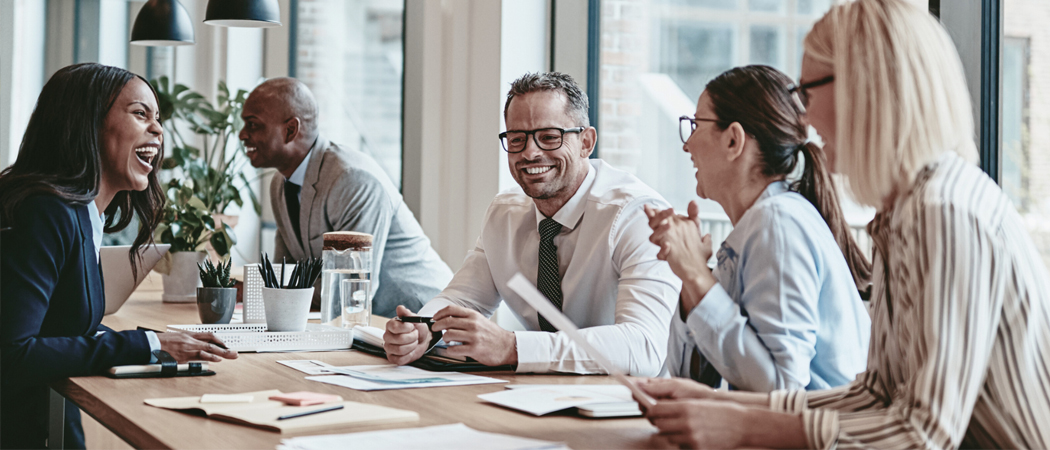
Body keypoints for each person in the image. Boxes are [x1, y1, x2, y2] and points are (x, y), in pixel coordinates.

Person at [636, 1, 1050, 448]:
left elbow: (922, 435)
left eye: (807, 94)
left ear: (865, 88)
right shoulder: (904, 213)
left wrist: (741, 425)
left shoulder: (943, 213)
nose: (805, 119)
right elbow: (876, 396)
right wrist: (722, 407)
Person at [0, 63, 238, 450]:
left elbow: (60, 328)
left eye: (157, 118)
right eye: (141, 114)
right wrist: (144, 345)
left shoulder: (79, 214)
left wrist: (154, 342)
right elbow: (11, 354)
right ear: (87, 124)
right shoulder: (45, 213)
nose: (158, 130)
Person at [383, 72, 681, 375]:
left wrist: (512, 348)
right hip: (542, 393)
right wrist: (424, 330)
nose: (530, 152)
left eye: (550, 137)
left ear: (586, 142)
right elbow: (463, 297)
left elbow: (644, 347)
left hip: (634, 405)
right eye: (517, 139)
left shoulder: (638, 215)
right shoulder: (506, 213)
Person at [645, 65, 871, 393]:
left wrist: (697, 275)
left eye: (696, 125)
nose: (687, 145)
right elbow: (691, 378)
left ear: (734, 140)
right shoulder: (758, 226)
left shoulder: (778, 225)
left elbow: (781, 389)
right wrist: (690, 277)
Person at [239, 78, 453, 317]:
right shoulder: (280, 184)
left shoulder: (352, 179)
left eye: (253, 125)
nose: (242, 135)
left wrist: (276, 293)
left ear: (290, 130)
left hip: (427, 323)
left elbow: (349, 293)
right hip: (366, 327)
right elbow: (280, 279)